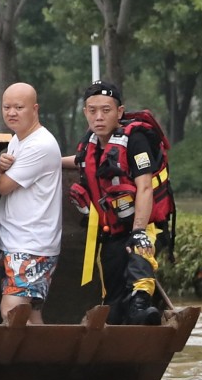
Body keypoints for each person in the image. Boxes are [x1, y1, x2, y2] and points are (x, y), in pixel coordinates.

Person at [64, 80, 171, 326]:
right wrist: (45, 161)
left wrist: (138, 231)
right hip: (111, 231)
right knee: (111, 302)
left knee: (138, 267)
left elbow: (145, 187)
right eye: (92, 111)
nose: (99, 117)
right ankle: (118, 322)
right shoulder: (89, 143)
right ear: (85, 112)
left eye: (106, 110)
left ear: (119, 112)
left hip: (143, 226)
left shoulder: (136, 140)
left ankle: (141, 307)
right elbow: (78, 160)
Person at [0, 82, 64, 324]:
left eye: (19, 107)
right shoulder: (18, 139)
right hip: (16, 240)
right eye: (7, 107)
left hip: (31, 244)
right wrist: (1, 164)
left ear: (35, 109)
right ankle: (47, 351)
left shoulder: (39, 144)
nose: (11, 113)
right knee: (30, 314)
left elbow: (2, 186)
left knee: (11, 312)